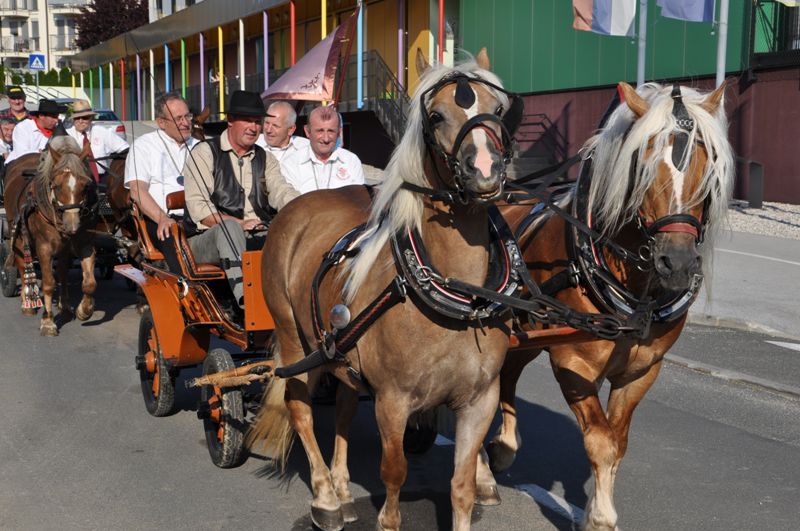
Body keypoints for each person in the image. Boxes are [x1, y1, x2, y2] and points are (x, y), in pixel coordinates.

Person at [183, 90, 299, 309]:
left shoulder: (266, 158)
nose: (254, 127)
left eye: (257, 122)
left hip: (257, 233)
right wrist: (241, 224)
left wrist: (303, 207)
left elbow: (282, 191)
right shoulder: (205, 152)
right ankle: (249, 303)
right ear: (230, 120)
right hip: (206, 240)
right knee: (230, 229)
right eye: (247, 120)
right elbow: (199, 208)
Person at [124, 92, 199, 271]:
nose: (186, 122)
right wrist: (162, 218)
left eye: (188, 116)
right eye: (178, 118)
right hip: (160, 219)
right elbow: (137, 191)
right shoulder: (144, 146)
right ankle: (187, 289)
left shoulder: (200, 146)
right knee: (173, 236)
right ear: (161, 122)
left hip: (198, 218)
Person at [280, 105, 365, 194]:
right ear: (307, 131)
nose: (326, 139)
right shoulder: (291, 164)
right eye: (320, 131)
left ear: (339, 132)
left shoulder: (351, 161)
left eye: (331, 131)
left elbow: (358, 201)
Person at [66, 100, 129, 184]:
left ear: (91, 118)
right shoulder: (67, 135)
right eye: (77, 118)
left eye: (84, 118)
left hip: (101, 178)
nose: (80, 121)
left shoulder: (101, 131)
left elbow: (125, 149)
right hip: (76, 180)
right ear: (73, 119)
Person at [6, 99, 65, 164]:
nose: (56, 121)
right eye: (53, 117)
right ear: (41, 116)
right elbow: (21, 153)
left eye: (57, 117)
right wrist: (42, 153)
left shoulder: (57, 130)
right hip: (20, 164)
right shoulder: (23, 127)